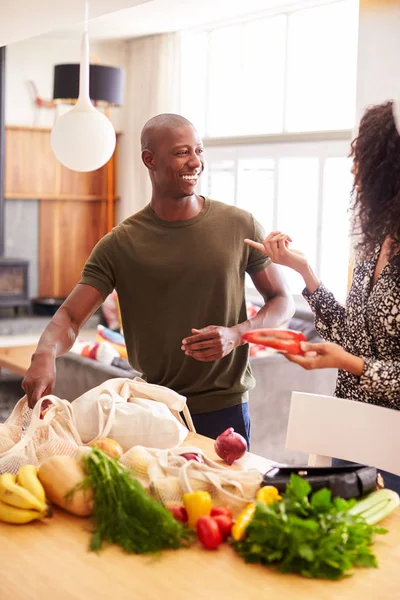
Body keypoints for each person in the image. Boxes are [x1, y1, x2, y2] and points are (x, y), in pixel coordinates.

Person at [22, 113, 294, 446]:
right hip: (152, 409)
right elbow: (69, 317)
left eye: (199, 150)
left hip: (225, 409)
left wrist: (237, 334)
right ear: (149, 159)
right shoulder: (120, 243)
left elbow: (282, 299)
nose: (195, 161)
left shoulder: (240, 225)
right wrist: (44, 354)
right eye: (182, 152)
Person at [245, 100, 400, 490]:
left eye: (362, 155)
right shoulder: (376, 243)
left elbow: (353, 354)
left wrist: (352, 365)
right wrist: (304, 271)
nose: (353, 167)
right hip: (353, 428)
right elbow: (351, 336)